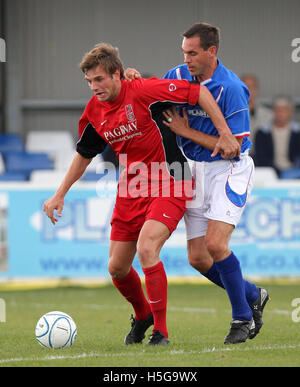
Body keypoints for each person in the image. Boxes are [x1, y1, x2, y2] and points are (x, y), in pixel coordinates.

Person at [43, 42, 239, 346]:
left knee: (148, 249)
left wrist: (225, 133)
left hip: (172, 179)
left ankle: (161, 332)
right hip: (132, 186)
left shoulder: (145, 91)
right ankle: (144, 315)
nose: (94, 87)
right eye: (89, 82)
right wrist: (60, 194)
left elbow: (198, 92)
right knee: (117, 267)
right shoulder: (95, 111)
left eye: (100, 79)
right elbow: (83, 154)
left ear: (118, 74)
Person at [126, 22, 270, 344]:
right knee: (198, 257)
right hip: (192, 169)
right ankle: (253, 295)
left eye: (193, 53)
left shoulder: (231, 88)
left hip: (228, 168)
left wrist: (184, 130)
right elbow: (152, 93)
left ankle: (241, 318)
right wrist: (134, 80)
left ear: (211, 51)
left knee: (217, 245)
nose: (187, 59)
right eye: (184, 53)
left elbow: (231, 145)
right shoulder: (177, 75)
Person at [254, 95, 300, 176]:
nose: (280, 114)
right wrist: (278, 171)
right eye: (277, 110)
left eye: (284, 110)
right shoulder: (262, 133)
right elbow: (261, 158)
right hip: (269, 172)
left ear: (290, 112)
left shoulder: (297, 132)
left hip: (295, 172)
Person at [240, 74, 273, 155]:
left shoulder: (269, 114)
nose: (249, 90)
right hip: (238, 157)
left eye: (252, 87)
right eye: (246, 86)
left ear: (257, 89)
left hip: (262, 158)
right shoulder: (229, 113)